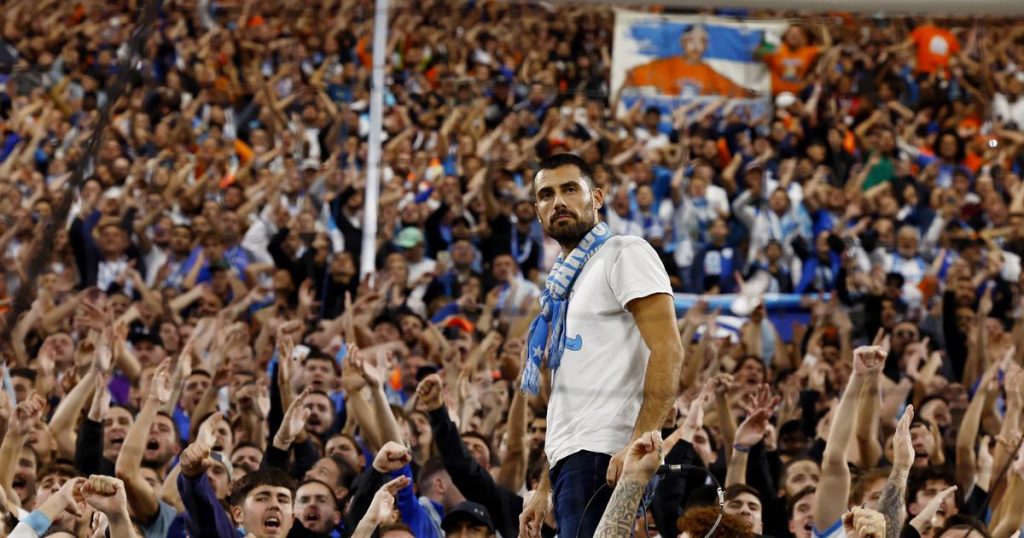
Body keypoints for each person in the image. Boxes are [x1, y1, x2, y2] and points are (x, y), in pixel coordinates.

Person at [518, 153, 684, 538]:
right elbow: (570, 407)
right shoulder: (562, 288)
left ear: (597, 198)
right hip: (571, 461)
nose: (557, 201)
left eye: (570, 189)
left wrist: (639, 442)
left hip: (607, 455)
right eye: (546, 195)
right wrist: (544, 487)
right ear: (537, 210)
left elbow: (669, 349)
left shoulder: (624, 252)